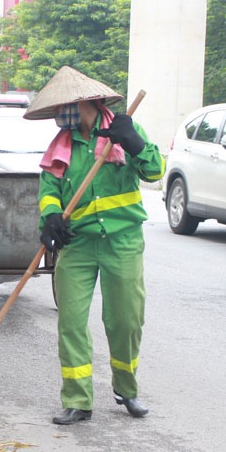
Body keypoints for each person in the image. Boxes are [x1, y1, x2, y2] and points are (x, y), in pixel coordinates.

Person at [29, 66, 166, 425]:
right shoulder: (61, 146)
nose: (63, 114)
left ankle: (127, 388)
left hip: (122, 242)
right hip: (78, 246)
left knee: (125, 320)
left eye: (67, 106)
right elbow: (48, 192)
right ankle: (77, 399)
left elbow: (154, 172)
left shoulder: (123, 130)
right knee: (71, 321)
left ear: (88, 102)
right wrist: (52, 220)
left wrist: (133, 142)